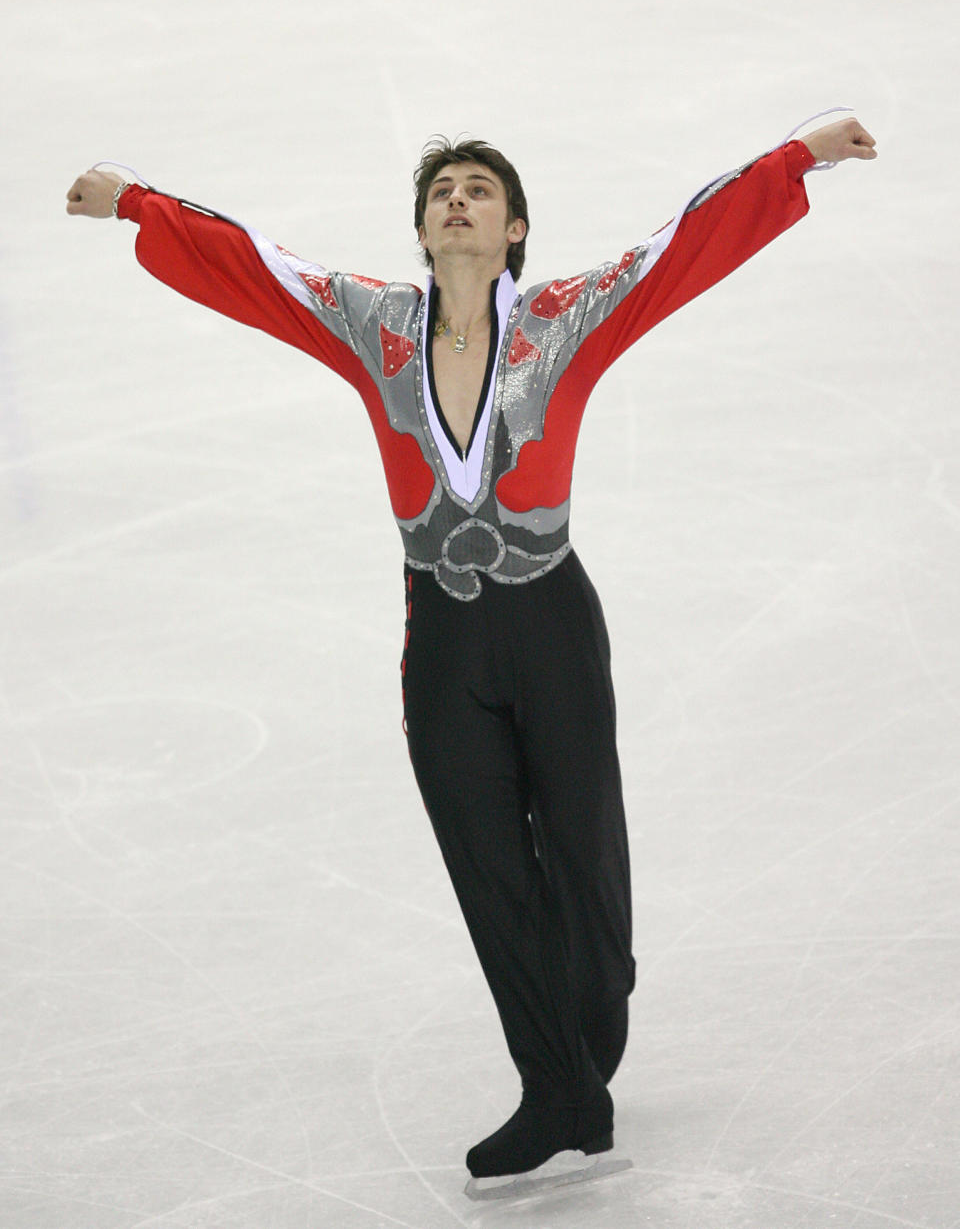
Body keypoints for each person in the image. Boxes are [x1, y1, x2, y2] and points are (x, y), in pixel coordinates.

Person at [66, 112, 877, 1198]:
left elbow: (684, 245)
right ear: (420, 228)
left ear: (516, 227)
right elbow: (250, 266)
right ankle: (556, 1092)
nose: (458, 198)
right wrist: (134, 200)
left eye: (480, 190)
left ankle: (589, 1024)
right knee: (491, 873)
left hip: (552, 626)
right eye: (442, 189)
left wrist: (798, 157)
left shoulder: (567, 315)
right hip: (441, 642)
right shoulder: (371, 325)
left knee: (582, 866)